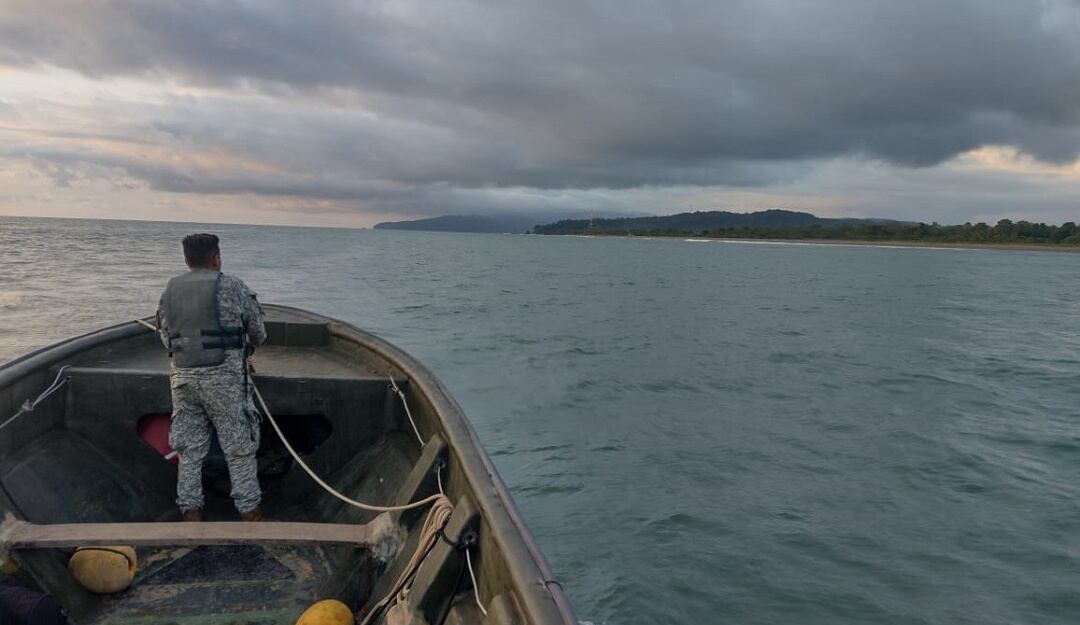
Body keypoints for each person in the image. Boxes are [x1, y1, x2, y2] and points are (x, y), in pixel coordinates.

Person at [155, 234, 267, 522]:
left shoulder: (170, 290)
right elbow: (259, 333)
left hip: (183, 380)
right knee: (239, 449)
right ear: (216, 257)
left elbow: (165, 336)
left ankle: (191, 513)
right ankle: (249, 514)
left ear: (186, 260)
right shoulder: (234, 286)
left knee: (189, 450)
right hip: (225, 382)